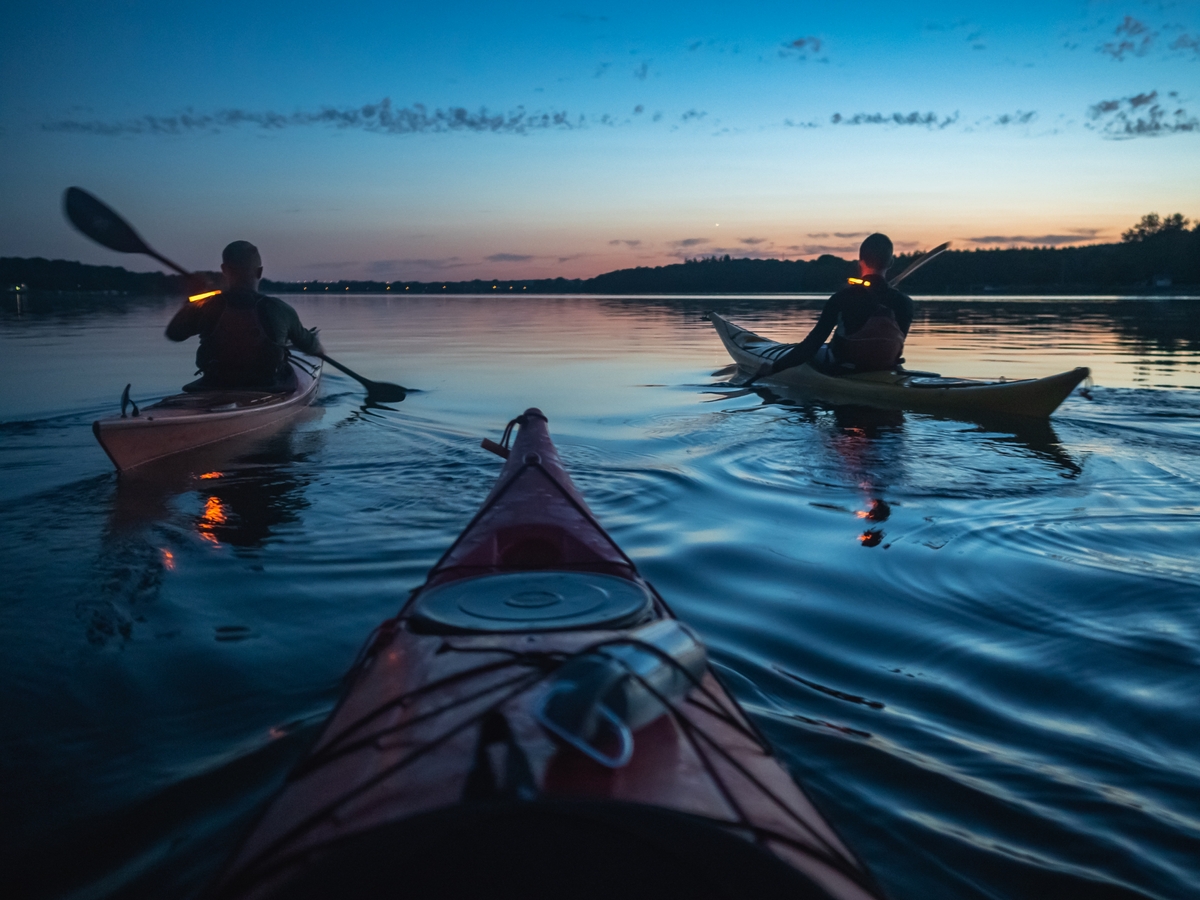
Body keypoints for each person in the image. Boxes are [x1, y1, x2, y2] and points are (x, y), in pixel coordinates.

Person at [166, 241, 324, 391]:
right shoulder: (280, 309)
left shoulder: (206, 306)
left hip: (214, 383)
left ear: (224, 270)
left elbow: (174, 334)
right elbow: (311, 346)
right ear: (260, 272)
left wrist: (193, 301)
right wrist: (317, 348)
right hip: (266, 386)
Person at [768, 233, 913, 376]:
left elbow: (811, 345)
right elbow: (897, 344)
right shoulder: (905, 302)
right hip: (886, 366)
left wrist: (774, 368)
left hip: (844, 367)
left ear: (860, 261)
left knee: (815, 350)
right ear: (890, 263)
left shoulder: (842, 298)